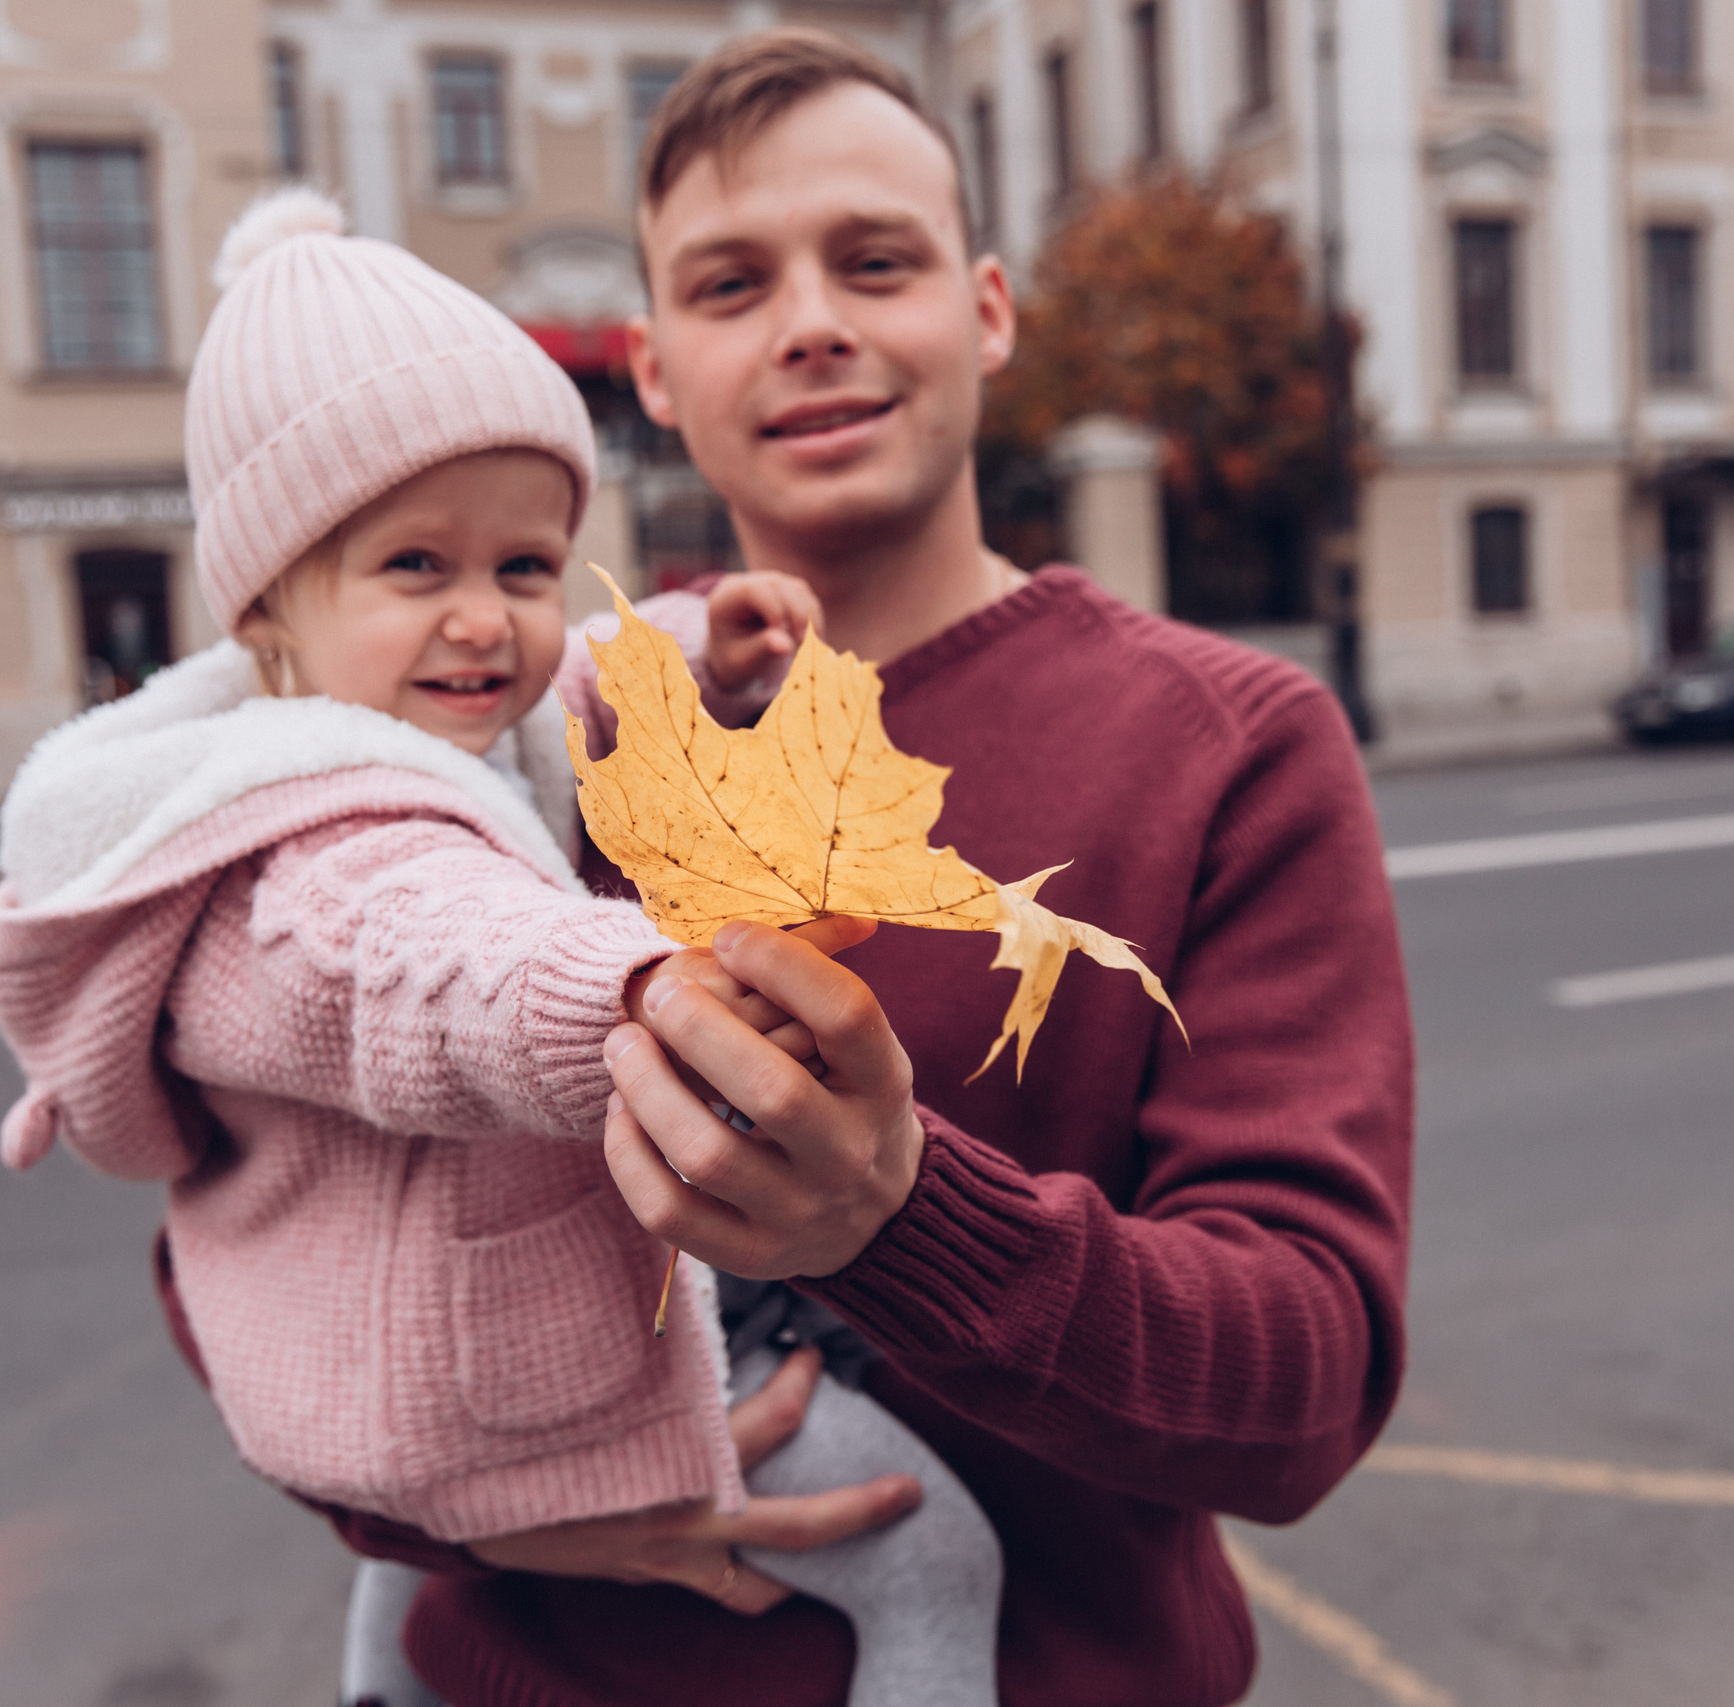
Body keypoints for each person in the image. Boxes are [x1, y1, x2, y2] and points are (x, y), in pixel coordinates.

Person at [314, 29, 1418, 1707]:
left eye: (874, 261)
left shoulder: (1230, 747)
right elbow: (234, 1235)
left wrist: (897, 1221)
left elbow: (1304, 1385)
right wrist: (468, 1519)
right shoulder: (516, 727)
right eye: (733, 283)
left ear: (986, 310)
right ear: (656, 367)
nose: (812, 320)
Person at [0, 188, 1002, 1707]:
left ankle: (380, 1687)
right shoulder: (303, 858)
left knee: (410, 1556)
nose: (486, 624)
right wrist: (643, 985)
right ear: (270, 607)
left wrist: (694, 651)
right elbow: (434, 970)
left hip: (378, 1355)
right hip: (483, 1373)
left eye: (525, 566)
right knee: (937, 1561)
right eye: (417, 569)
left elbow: (569, 683)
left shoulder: (370, 714)